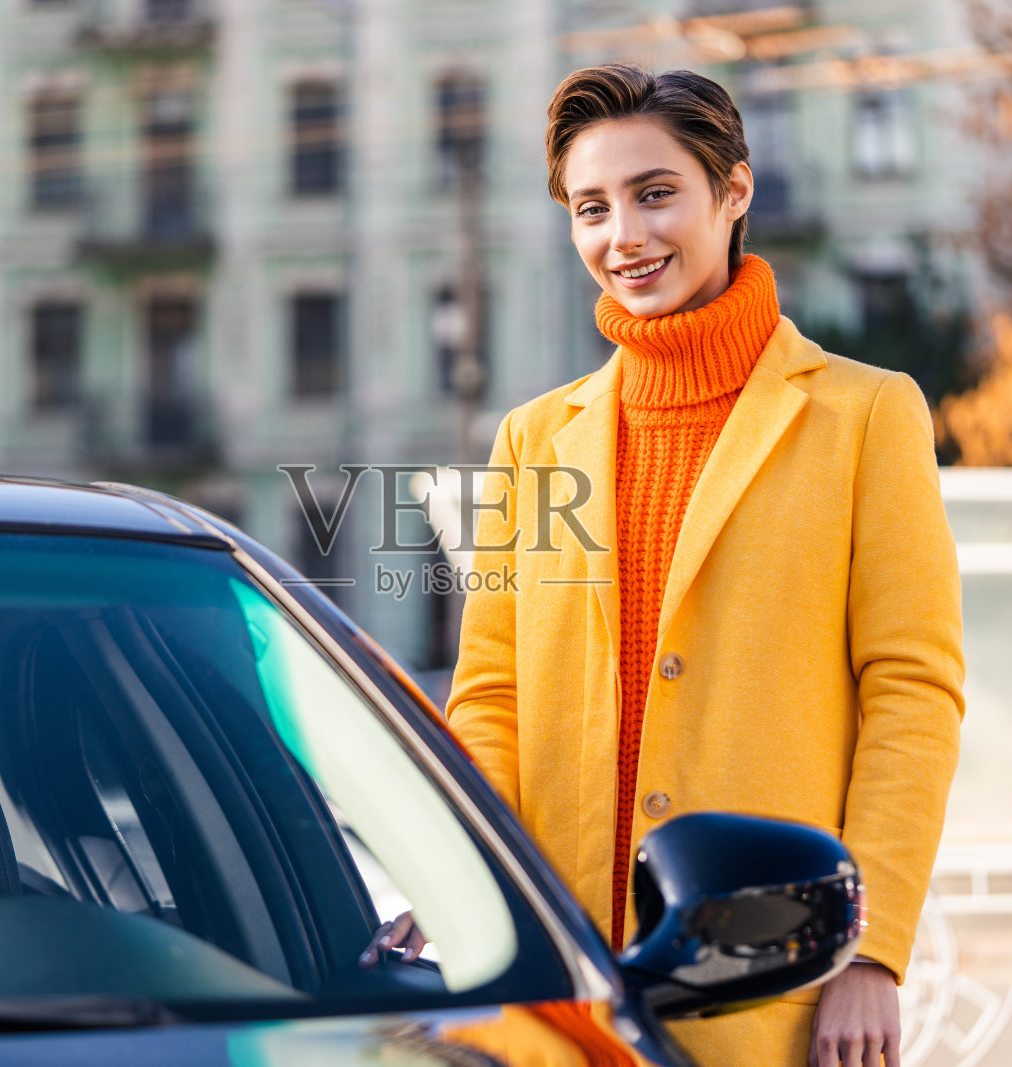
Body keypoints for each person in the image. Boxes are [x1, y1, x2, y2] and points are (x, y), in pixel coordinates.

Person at [363, 63, 964, 1067]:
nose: (625, 237)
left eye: (654, 193)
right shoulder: (533, 440)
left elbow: (913, 695)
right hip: (560, 996)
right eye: (591, 208)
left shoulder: (865, 415)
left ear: (733, 192)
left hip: (765, 989)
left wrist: (867, 950)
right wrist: (454, 883)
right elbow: (494, 698)